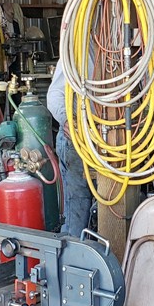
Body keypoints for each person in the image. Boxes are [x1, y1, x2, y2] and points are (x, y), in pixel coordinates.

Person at [46, 58, 94, 238]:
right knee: (78, 207)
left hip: (108, 141)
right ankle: (73, 259)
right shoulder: (76, 51)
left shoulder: (121, 52)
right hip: (77, 140)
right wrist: (67, 119)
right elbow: (54, 95)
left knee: (103, 208)